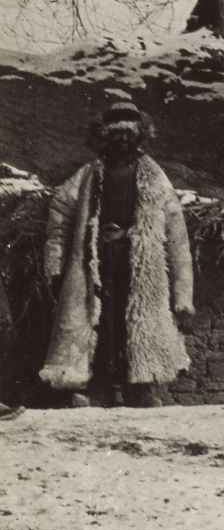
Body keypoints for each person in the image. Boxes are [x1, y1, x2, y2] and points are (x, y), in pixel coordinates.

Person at [41, 95, 194, 407]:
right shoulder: (87, 176)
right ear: (104, 136)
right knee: (103, 320)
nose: (122, 139)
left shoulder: (154, 178)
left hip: (141, 262)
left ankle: (141, 388)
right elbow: (60, 217)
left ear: (139, 135)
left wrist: (183, 294)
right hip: (96, 260)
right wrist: (56, 267)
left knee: (138, 319)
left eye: (129, 133)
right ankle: (101, 389)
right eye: (116, 133)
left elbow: (177, 236)